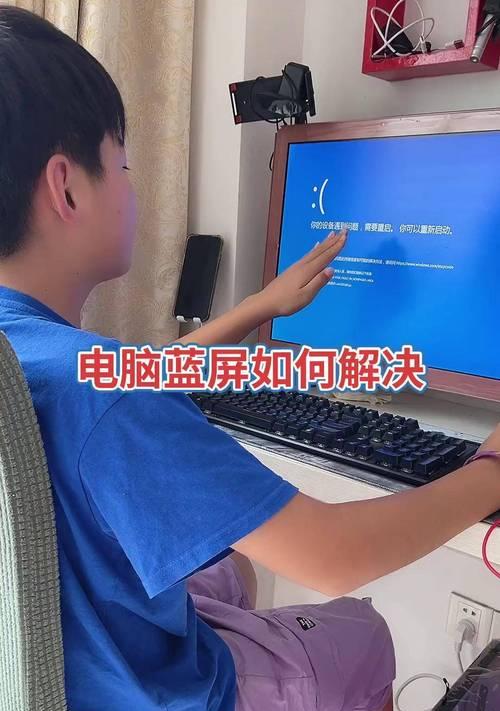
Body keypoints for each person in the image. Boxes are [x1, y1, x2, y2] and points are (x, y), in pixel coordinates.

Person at [0, 6, 499, 711]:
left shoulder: (28, 352)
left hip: (64, 661)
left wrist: (258, 308)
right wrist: (488, 469)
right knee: (362, 629)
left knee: (233, 564)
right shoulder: (105, 399)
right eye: (123, 164)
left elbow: (125, 379)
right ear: (67, 187)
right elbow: (333, 557)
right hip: (152, 691)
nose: (132, 185)